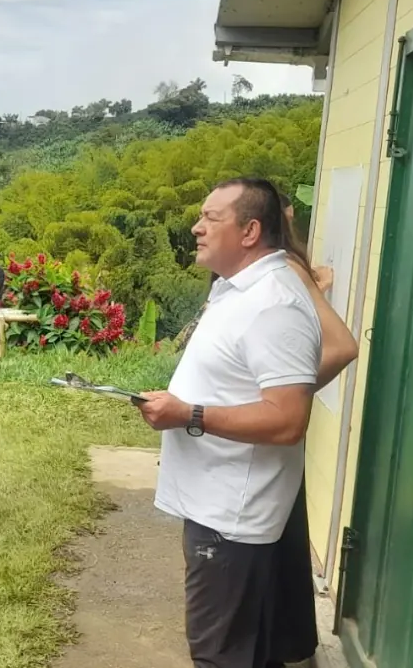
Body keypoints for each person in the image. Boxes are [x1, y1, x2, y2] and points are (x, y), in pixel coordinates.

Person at [136, 177, 321, 667]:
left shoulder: (274, 304)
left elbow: (287, 420)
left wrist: (188, 414)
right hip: (219, 508)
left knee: (220, 655)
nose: (196, 227)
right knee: (250, 653)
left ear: (250, 231)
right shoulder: (238, 290)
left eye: (211, 218)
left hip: (232, 520)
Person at [267, 195, 359, 668]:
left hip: (267, 431)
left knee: (275, 543)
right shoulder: (284, 268)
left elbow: (342, 346)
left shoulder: (283, 267)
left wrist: (288, 395)